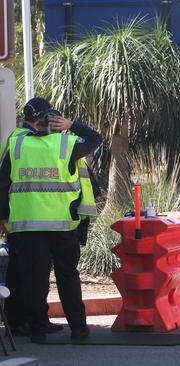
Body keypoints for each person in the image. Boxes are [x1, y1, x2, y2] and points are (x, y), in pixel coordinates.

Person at [0, 97, 102, 343]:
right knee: (68, 276)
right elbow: (95, 139)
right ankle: (78, 329)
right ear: (48, 119)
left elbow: (2, 185)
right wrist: (71, 124)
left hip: (25, 226)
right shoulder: (65, 143)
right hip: (62, 225)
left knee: (33, 279)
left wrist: (2, 218)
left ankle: (37, 331)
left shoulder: (14, 144)